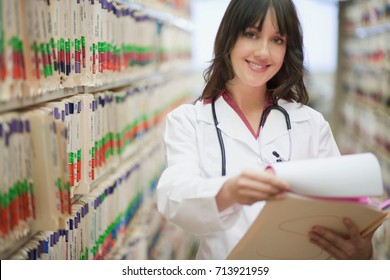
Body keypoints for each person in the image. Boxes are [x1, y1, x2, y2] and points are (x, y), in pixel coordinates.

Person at [156, 0, 374, 260]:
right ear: (229, 38)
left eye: (277, 40)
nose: (263, 52)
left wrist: (361, 255)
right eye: (251, 34)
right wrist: (229, 192)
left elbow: (343, 211)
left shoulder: (311, 124)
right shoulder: (189, 121)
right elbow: (174, 199)